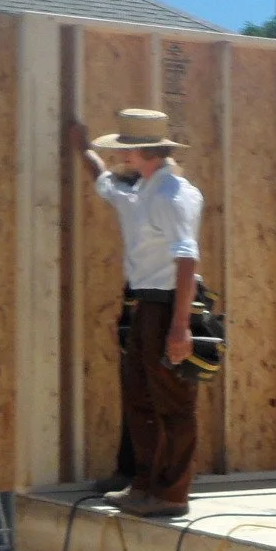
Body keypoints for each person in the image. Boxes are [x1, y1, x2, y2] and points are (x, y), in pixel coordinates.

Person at [68, 108, 204, 518]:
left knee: (174, 405)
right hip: (146, 305)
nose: (121, 156)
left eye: (126, 149)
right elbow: (104, 182)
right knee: (140, 399)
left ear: (143, 151)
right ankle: (144, 484)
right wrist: (83, 150)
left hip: (167, 306)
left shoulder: (171, 196)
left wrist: (180, 328)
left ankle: (172, 494)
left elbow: (186, 260)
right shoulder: (141, 191)